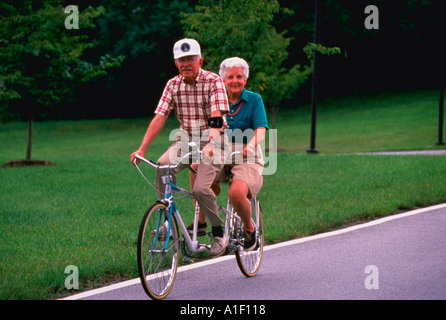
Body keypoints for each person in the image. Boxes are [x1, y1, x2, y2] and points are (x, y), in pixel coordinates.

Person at [130, 38, 230, 256]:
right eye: (181, 60)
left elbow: (216, 117)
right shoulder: (172, 84)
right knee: (162, 166)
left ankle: (218, 231)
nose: (186, 64)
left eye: (190, 59)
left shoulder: (213, 81)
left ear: (200, 60)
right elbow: (159, 118)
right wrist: (142, 149)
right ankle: (167, 220)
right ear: (176, 63)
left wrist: (211, 144)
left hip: (216, 138)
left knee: (200, 189)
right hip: (186, 138)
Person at [188, 57, 268, 251]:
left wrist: (250, 145)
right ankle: (201, 220)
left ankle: (249, 228)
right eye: (230, 76)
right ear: (223, 80)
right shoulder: (215, 100)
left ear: (245, 80)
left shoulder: (254, 99)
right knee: (195, 169)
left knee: (236, 194)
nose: (235, 80)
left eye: (239, 76)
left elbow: (261, 129)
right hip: (220, 154)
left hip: (246, 156)